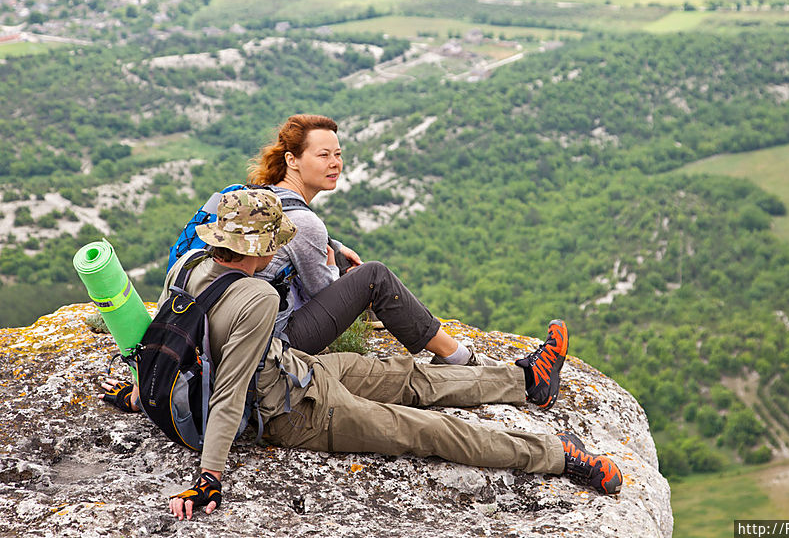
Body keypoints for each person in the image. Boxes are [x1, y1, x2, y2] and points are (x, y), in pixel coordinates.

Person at [123, 189, 622, 520]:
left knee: (408, 376)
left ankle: (526, 382)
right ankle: (558, 457)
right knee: (424, 429)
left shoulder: (190, 265)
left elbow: (167, 333)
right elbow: (230, 390)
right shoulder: (257, 297)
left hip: (297, 370)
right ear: (262, 247)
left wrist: (145, 391)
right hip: (294, 413)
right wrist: (209, 477)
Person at [250, 114, 494, 366]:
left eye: (338, 154)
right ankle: (457, 356)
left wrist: (337, 247)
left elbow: (298, 244)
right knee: (375, 276)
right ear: (292, 160)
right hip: (278, 341)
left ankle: (383, 312)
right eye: (323, 155)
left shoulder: (264, 195)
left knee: (345, 260)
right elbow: (326, 296)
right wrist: (340, 274)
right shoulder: (305, 223)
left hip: (248, 329)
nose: (335, 163)